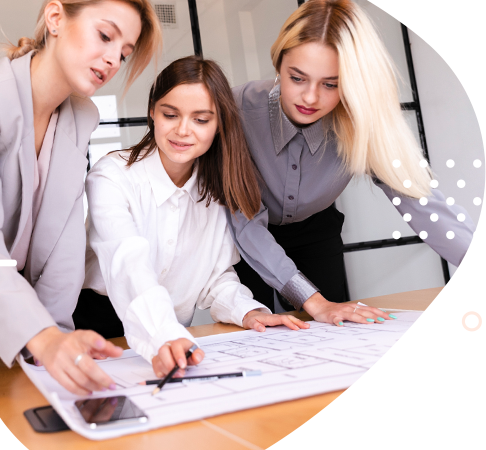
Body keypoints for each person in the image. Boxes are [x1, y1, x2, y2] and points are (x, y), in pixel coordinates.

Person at [0, 0, 162, 396]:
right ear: (55, 18)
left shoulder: (81, 115)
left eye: (123, 53)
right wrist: (43, 336)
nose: (112, 60)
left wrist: (59, 335)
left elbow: (65, 240)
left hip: (12, 296)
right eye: (105, 35)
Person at [227, 0, 475, 326]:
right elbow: (244, 223)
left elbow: (424, 206)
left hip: (316, 230)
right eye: (297, 78)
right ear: (278, 64)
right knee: (257, 327)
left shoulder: (363, 124)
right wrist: (315, 303)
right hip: (245, 231)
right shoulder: (236, 111)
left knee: (335, 326)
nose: (310, 97)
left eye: (331, 84)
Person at [78, 56, 311, 379]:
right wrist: (165, 335)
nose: (183, 130)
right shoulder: (112, 176)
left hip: (173, 338)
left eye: (201, 119)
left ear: (219, 124)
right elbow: (127, 264)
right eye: (170, 115)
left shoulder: (217, 186)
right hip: (99, 329)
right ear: (152, 112)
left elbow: (216, 277)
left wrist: (249, 311)